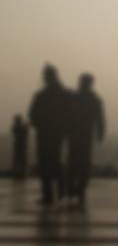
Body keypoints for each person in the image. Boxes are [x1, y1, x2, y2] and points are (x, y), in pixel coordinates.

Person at [28, 64, 74, 207]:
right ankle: (61, 191)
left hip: (45, 133)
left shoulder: (41, 96)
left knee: (46, 163)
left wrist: (39, 125)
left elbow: (32, 115)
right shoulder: (65, 94)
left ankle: (48, 194)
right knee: (54, 162)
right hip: (57, 133)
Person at [65, 72, 106, 206]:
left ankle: (73, 187)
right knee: (83, 162)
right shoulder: (94, 99)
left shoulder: (74, 98)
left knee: (73, 161)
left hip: (74, 134)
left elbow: (66, 115)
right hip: (85, 134)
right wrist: (100, 133)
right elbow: (100, 119)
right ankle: (80, 188)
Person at [9, 115, 28, 181]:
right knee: (20, 160)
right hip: (21, 146)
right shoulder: (20, 127)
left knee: (19, 160)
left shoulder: (17, 127)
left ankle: (19, 173)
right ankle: (20, 173)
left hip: (19, 146)